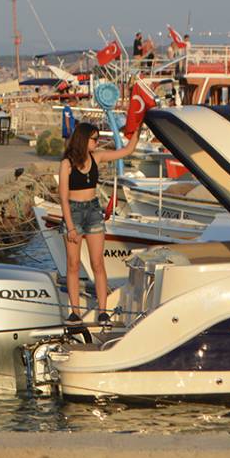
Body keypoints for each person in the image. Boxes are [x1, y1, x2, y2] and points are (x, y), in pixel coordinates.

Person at [59, 122, 140, 325]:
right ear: (83, 139)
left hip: (93, 211)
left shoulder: (97, 157)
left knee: (98, 263)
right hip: (73, 212)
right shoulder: (66, 164)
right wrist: (69, 226)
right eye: (94, 138)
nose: (97, 142)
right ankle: (75, 312)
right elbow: (62, 197)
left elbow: (127, 150)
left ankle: (103, 312)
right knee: (73, 264)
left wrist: (137, 125)